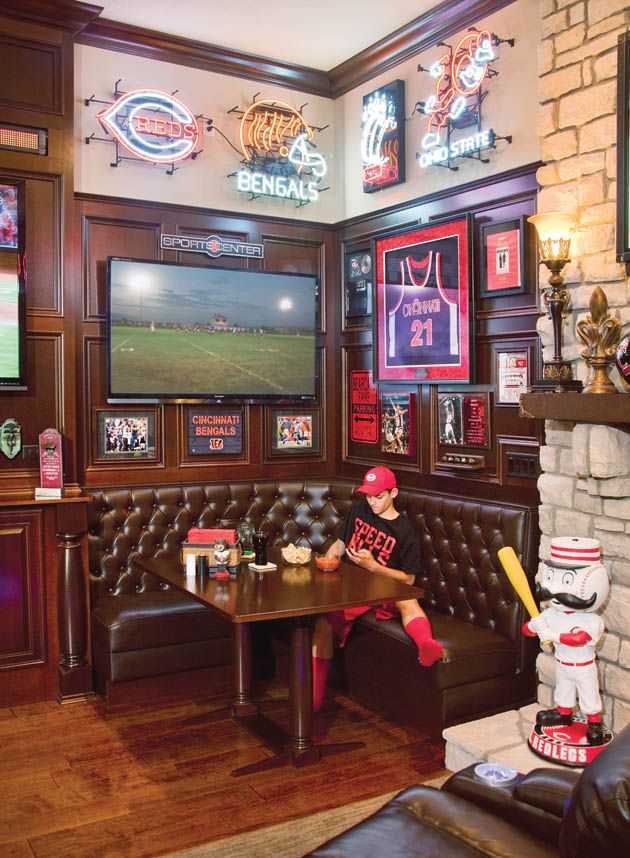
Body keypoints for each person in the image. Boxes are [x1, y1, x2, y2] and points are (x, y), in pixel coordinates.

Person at [312, 466, 444, 712]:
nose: (372, 502)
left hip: (384, 587)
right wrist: (325, 564)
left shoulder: (406, 531)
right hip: (350, 587)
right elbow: (340, 545)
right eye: (369, 496)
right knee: (323, 625)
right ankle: (314, 700)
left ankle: (426, 644)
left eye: (378, 496)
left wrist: (374, 567)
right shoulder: (359, 509)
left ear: (393, 493)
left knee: (408, 600)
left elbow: (409, 580)